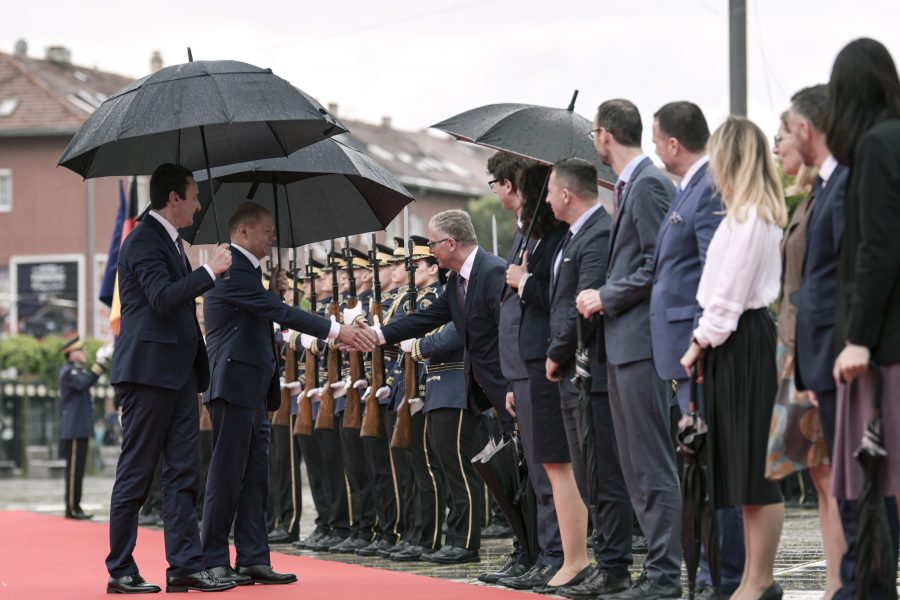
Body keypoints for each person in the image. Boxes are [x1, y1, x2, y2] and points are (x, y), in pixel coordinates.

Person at [201, 202, 373, 586]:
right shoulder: (231, 269)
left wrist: (273, 293)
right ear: (243, 231)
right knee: (227, 477)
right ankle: (212, 559)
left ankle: (252, 557)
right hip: (233, 386)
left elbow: (261, 315)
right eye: (266, 230)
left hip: (253, 388)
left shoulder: (250, 274)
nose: (272, 236)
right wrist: (336, 330)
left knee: (255, 478)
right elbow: (279, 315)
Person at [105, 163, 234, 594]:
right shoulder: (143, 239)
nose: (198, 206)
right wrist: (209, 272)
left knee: (184, 473)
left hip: (178, 375)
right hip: (147, 374)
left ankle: (184, 566)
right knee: (138, 473)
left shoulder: (172, 241)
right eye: (194, 197)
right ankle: (120, 569)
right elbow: (161, 298)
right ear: (173, 198)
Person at [576, 99, 681, 599]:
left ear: (605, 135)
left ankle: (664, 575)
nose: (594, 142)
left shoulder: (648, 184)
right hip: (624, 346)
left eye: (594, 134)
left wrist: (605, 295)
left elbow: (659, 262)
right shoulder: (629, 186)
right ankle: (655, 571)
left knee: (650, 463)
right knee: (636, 466)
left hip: (640, 344)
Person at [680, 117, 787, 600]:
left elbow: (730, 293)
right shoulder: (741, 215)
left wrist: (699, 341)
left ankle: (760, 579)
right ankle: (749, 578)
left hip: (741, 340)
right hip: (731, 342)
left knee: (754, 468)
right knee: (740, 467)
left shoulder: (752, 217)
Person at [373, 209, 513, 563]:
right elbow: (427, 318)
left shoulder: (492, 270)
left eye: (433, 243)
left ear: (450, 243)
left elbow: (505, 329)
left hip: (486, 384)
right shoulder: (456, 282)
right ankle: (462, 539)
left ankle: (467, 542)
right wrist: (378, 335)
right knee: (448, 463)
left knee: (463, 465)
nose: (431, 250)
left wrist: (511, 381)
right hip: (466, 384)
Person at [649, 101, 745, 599]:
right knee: (699, 463)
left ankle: (720, 573)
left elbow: (713, 269)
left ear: (673, 143)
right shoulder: (690, 186)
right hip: (687, 349)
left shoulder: (708, 186)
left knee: (709, 462)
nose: (654, 150)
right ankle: (710, 570)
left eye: (655, 140)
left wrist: (698, 340)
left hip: (699, 349)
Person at [530, 158, 633, 597]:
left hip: (591, 369)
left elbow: (582, 305)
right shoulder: (574, 235)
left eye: (551, 192)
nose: (547, 201)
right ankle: (604, 560)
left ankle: (614, 566)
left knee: (601, 471)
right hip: (573, 371)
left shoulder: (598, 234)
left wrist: (556, 353)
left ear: (567, 194)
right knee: (588, 474)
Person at [826, 37, 900, 599]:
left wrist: (857, 339)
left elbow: (877, 249)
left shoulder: (877, 145)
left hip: (883, 348)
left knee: (877, 490)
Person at [776, 86, 849, 599]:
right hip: (799, 347)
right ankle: (835, 582)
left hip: (818, 348)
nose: (779, 143)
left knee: (834, 475)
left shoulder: (836, 190)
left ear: (805, 130)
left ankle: (841, 582)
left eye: (782, 133)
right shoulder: (811, 196)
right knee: (822, 475)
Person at [490, 153, 565, 588]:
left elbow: (544, 297)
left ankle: (555, 554)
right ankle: (542, 552)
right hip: (520, 367)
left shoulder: (544, 237)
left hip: (536, 363)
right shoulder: (525, 234)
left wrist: (522, 280)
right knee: (536, 469)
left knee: (547, 466)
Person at [58, 335, 112, 520]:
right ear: (71, 353)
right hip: (73, 428)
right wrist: (101, 364)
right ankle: (72, 508)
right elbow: (85, 382)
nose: (83, 352)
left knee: (78, 470)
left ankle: (75, 506)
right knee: (74, 471)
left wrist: (101, 365)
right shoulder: (69, 372)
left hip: (79, 428)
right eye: (80, 350)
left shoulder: (75, 371)